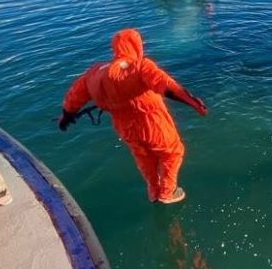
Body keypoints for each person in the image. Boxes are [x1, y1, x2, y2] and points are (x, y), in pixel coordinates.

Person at [58, 28, 207, 204]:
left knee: (143, 156)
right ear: (137, 46)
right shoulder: (141, 66)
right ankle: (167, 192)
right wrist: (192, 102)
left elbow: (73, 98)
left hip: (124, 127)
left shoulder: (94, 73)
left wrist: (65, 119)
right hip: (152, 122)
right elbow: (166, 85)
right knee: (172, 153)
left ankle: (153, 190)